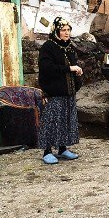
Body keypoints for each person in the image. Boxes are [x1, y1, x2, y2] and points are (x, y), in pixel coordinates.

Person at [37, 16, 83, 165]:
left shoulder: (68, 46)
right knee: (52, 121)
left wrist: (77, 72)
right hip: (55, 92)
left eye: (68, 30)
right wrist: (69, 68)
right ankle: (47, 151)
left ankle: (62, 149)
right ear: (56, 31)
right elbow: (46, 68)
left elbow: (73, 64)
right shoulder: (48, 47)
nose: (66, 33)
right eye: (63, 30)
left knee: (65, 121)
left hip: (68, 91)